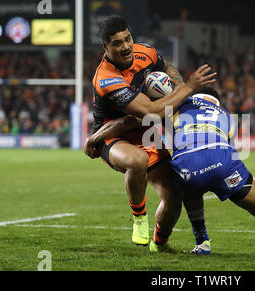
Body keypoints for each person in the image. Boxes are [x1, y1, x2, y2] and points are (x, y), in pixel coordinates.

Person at [88, 87, 255, 259]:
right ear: (215, 101)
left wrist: (95, 138)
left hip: (188, 167)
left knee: (187, 182)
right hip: (225, 162)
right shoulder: (226, 115)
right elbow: (229, 147)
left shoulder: (175, 107)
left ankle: (200, 240)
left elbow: (131, 121)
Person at [86, 15, 216, 247]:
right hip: (113, 136)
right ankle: (139, 218)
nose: (125, 46)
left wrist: (175, 84)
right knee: (137, 160)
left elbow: (166, 66)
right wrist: (187, 88)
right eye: (117, 43)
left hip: (146, 133)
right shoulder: (106, 78)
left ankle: (160, 242)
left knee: (175, 195)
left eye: (128, 39)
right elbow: (150, 112)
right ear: (105, 46)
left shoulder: (145, 52)